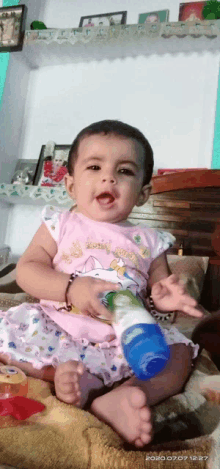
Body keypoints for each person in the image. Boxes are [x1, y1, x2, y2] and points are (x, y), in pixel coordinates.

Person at [0, 120, 203, 448]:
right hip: (58, 324)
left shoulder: (149, 241)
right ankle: (67, 377)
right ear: (70, 186)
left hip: (122, 338)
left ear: (143, 193)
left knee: (180, 352)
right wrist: (70, 287)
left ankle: (125, 395)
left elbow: (158, 289)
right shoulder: (61, 223)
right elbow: (27, 270)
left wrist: (165, 295)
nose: (109, 177)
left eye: (124, 171)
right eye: (94, 166)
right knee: (8, 334)